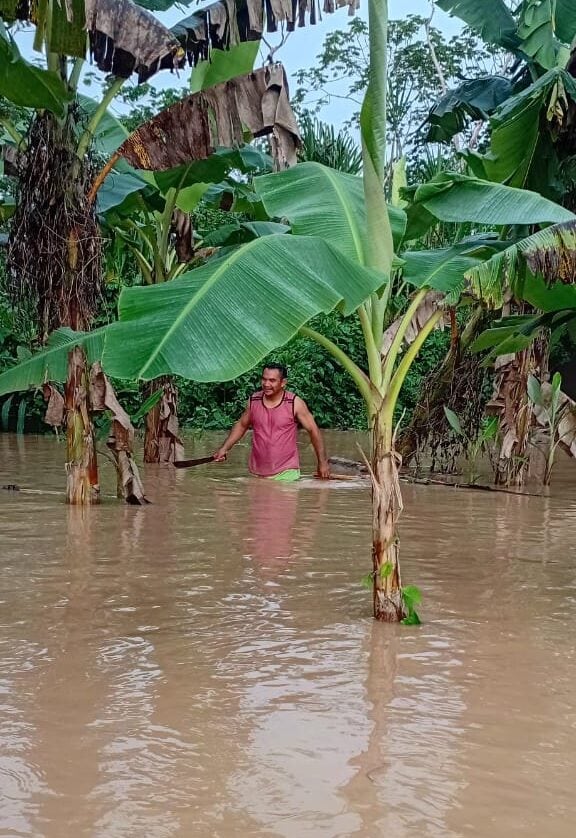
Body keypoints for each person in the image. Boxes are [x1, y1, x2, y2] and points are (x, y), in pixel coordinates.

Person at [213, 364, 330, 481]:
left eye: (272, 380)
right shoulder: (254, 401)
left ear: (283, 382)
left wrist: (322, 463)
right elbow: (241, 425)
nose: (266, 384)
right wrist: (224, 448)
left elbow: (313, 431)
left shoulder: (294, 403)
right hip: (256, 473)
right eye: (264, 379)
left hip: (286, 472)